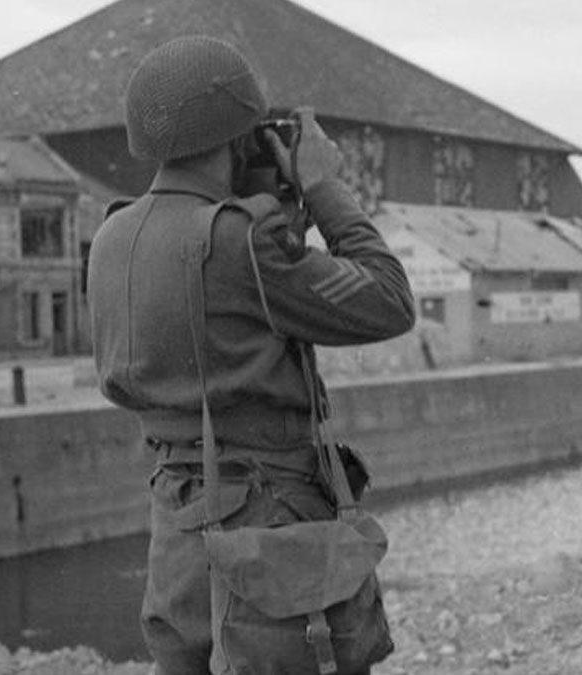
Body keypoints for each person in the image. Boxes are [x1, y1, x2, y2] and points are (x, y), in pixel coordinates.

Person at [87, 36, 414, 674]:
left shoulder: (112, 236)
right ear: (239, 138)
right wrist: (321, 189)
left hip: (179, 524)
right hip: (269, 524)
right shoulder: (242, 242)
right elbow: (389, 300)